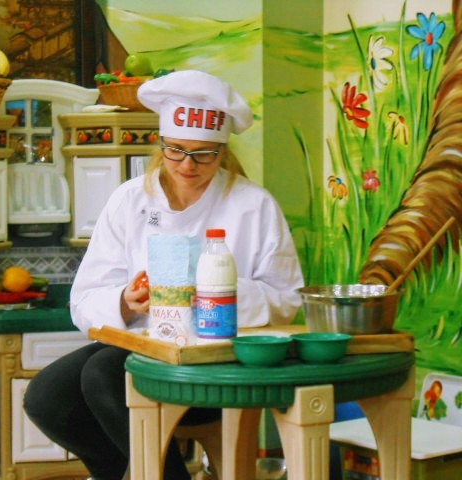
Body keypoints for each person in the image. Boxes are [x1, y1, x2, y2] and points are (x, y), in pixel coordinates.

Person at [23, 70, 304, 480]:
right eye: (176, 151)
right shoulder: (129, 200)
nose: (187, 165)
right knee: (48, 398)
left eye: (203, 154)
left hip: (219, 361)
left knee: (103, 374)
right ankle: (133, 473)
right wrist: (124, 301)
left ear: (222, 151)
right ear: (161, 144)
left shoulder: (253, 205)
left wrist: (215, 295)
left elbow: (286, 298)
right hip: (146, 343)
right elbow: (84, 298)